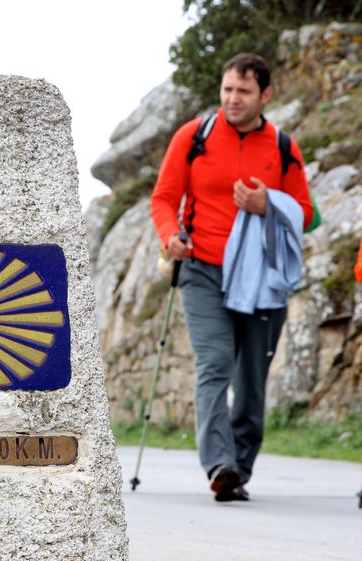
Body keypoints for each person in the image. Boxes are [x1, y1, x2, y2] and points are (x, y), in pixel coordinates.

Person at [151, 53, 313, 502]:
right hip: (201, 267)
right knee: (216, 362)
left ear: (266, 95)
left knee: (251, 378)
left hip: (262, 279)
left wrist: (269, 205)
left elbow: (307, 213)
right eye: (227, 89)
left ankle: (238, 468)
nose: (232, 99)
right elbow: (164, 198)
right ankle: (219, 464)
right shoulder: (194, 136)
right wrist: (170, 236)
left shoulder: (283, 147)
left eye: (243, 91)